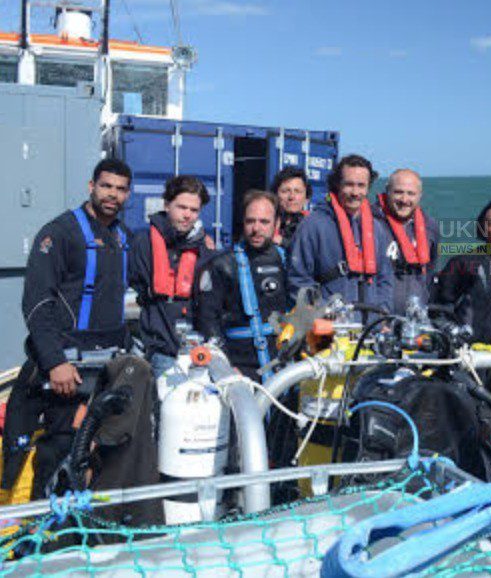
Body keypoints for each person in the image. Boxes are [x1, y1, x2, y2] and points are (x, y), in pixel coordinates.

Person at [2, 159, 158, 509]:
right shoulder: (60, 234)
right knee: (61, 451)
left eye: (120, 189)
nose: (112, 195)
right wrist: (54, 361)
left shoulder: (124, 238)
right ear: (91, 187)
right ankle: (45, 529)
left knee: (101, 452)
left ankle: (84, 528)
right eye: (106, 186)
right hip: (66, 371)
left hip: (107, 369)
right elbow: (37, 303)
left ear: (128, 194)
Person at [195, 190, 288, 380]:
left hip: (283, 367)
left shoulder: (288, 261)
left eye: (264, 222)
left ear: (277, 223)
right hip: (239, 368)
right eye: (250, 221)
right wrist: (225, 366)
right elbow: (207, 321)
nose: (256, 228)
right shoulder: (221, 265)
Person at [129, 175, 214, 378]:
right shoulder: (142, 243)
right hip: (159, 350)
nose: (187, 215)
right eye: (181, 207)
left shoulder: (204, 250)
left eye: (194, 210)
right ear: (167, 205)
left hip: (196, 351)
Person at [288, 154, 394, 313]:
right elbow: (298, 279)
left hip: (371, 323)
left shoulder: (377, 229)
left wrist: (382, 312)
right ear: (337, 184)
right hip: (330, 322)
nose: (355, 192)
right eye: (349, 184)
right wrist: (319, 312)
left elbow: (385, 279)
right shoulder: (312, 226)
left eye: (361, 185)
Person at [435, 199, 491, 346]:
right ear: (482, 228)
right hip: (473, 352)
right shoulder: (462, 263)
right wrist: (455, 334)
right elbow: (439, 311)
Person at [372, 169, 439, 315]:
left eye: (411, 193)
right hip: (378, 316)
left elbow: (430, 269)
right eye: (398, 192)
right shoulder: (369, 224)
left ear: (420, 196)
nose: (404, 200)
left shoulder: (430, 227)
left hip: (416, 317)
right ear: (387, 191)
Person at [271, 166, 311, 248]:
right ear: (275, 195)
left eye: (297, 191)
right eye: (285, 191)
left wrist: (282, 241)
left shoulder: (312, 224)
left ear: (306, 199)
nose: (292, 197)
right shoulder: (267, 221)